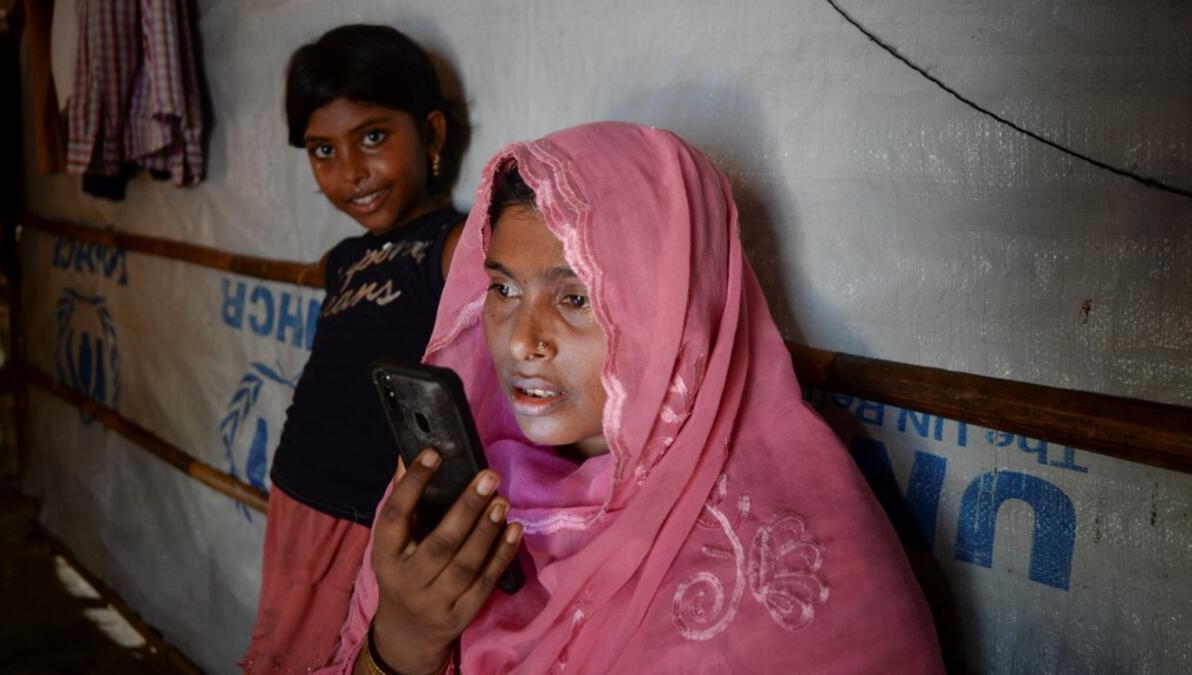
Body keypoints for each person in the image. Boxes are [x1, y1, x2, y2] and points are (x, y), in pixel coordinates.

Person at [318, 122, 944, 673]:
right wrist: (400, 647)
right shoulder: (472, 497)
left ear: (676, 314)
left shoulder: (792, 564)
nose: (521, 344)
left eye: (576, 299)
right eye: (503, 291)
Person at [241, 24, 470, 674]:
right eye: (322, 150)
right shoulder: (343, 259)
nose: (351, 173)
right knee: (287, 653)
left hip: (371, 519)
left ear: (431, 134)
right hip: (298, 496)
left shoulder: (450, 249)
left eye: (373, 137)